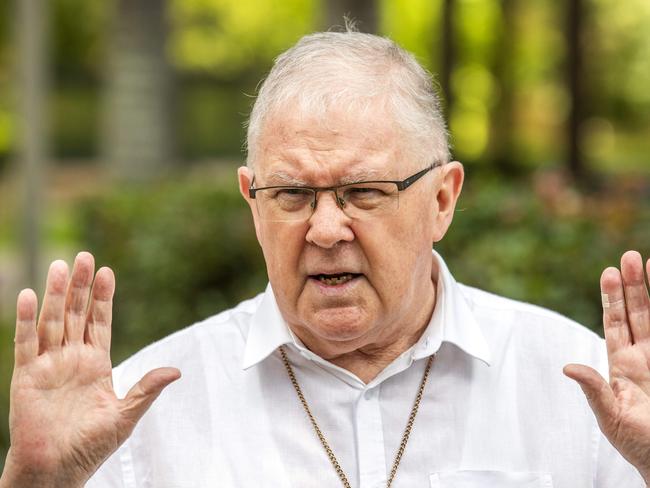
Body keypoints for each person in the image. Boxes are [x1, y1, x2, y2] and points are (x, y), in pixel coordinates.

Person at [2, 29, 650, 488]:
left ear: (443, 199)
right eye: (291, 194)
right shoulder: (140, 410)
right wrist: (36, 485)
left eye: (364, 192)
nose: (326, 228)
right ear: (252, 203)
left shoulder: (580, 387)